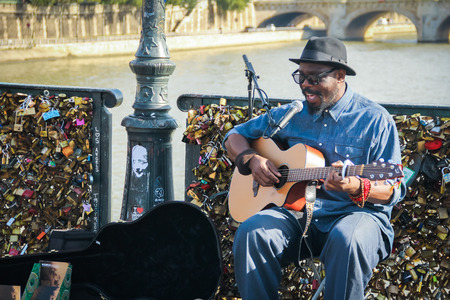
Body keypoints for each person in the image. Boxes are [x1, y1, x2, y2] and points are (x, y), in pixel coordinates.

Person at [223, 36, 405, 299]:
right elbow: (234, 136)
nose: (306, 85)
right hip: (299, 215)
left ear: (340, 76)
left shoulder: (374, 120)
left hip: (356, 216)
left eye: (315, 78)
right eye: (301, 76)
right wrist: (252, 159)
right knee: (252, 232)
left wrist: (356, 186)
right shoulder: (292, 114)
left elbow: (392, 189)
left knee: (347, 240)